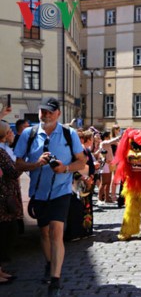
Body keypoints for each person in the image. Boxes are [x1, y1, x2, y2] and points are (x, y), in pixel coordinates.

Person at [13, 97, 85, 297]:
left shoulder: (69, 134)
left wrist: (65, 168)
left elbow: (82, 162)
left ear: (58, 114)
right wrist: (36, 164)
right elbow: (18, 164)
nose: (45, 115)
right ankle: (48, 263)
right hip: (38, 193)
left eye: (50, 112)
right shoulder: (29, 134)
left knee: (56, 232)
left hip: (61, 192)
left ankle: (55, 281)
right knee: (43, 233)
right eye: (42, 111)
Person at [0, 120, 23, 284]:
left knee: (6, 233)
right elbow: (12, 171)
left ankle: (0, 271)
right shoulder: (1, 152)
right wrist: (28, 164)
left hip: (6, 196)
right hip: (3, 199)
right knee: (4, 234)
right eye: (10, 131)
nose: (12, 134)